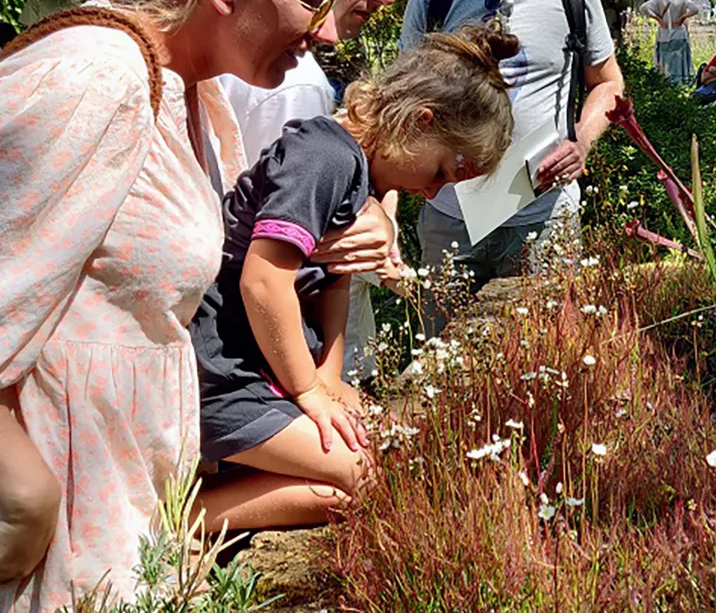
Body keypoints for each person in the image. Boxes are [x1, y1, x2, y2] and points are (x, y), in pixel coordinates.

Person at [0, 0, 349, 609]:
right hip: (57, 526)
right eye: (314, 0)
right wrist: (23, 500)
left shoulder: (194, 94)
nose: (328, 31)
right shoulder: (97, 76)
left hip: (122, 509)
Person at [192, 26, 515, 530]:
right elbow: (263, 281)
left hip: (265, 367)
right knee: (362, 476)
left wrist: (329, 377)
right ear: (417, 121)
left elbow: (333, 281)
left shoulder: (356, 170)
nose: (430, 195)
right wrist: (310, 393)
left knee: (388, 446)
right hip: (226, 372)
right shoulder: (325, 156)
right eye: (439, 173)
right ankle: (181, 520)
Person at [220, 0, 426, 383]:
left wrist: (378, 204)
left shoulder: (283, 62)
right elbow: (267, 255)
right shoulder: (288, 80)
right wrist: (318, 385)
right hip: (284, 367)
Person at [399, 0, 623, 329]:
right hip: (450, 218)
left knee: (548, 357)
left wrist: (581, 141)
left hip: (543, 216)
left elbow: (608, 85)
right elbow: (402, 103)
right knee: (446, 367)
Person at [640, 0, 700, 84]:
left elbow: (643, 8)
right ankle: (681, 81)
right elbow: (695, 9)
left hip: (664, 32)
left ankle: (665, 81)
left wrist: (658, 19)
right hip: (679, 33)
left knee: (664, 59)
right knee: (679, 59)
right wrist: (682, 17)